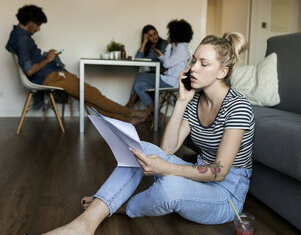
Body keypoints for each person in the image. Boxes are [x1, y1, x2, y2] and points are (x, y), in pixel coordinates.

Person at [43, 34, 255, 234]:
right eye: (193, 61)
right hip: (198, 177)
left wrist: (168, 168)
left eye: (204, 64)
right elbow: (167, 149)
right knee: (141, 149)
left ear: (222, 72)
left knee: (170, 188)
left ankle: (118, 206)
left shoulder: (238, 107)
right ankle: (85, 224)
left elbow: (219, 171)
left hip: (225, 193)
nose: (193, 69)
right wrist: (181, 101)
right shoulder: (195, 99)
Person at [6, 5, 148, 125]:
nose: (38, 29)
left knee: (90, 98)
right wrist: (48, 59)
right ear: (30, 21)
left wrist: (47, 57)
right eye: (37, 25)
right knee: (94, 96)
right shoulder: (22, 39)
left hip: (51, 75)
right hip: (50, 76)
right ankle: (132, 113)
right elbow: (29, 70)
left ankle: (125, 120)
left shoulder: (18, 35)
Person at [126, 19, 193, 114]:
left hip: (171, 80)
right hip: (167, 78)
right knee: (138, 85)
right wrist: (161, 55)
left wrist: (168, 46)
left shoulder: (180, 48)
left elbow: (166, 64)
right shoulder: (180, 47)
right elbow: (168, 61)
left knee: (139, 76)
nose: (169, 35)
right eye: (150, 35)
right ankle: (154, 111)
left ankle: (129, 107)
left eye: (155, 33)